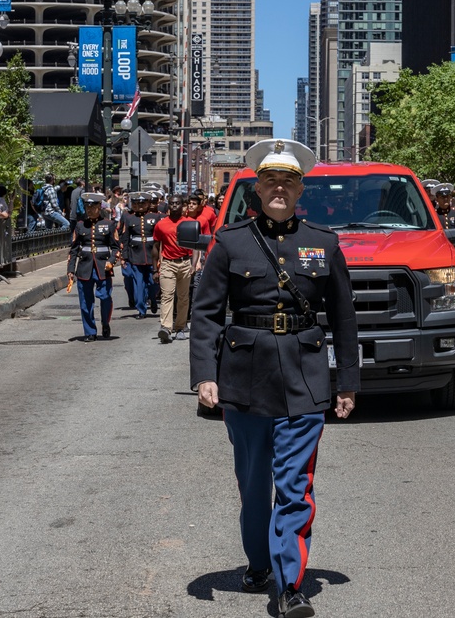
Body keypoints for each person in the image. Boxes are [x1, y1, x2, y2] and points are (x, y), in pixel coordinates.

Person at [190, 138, 359, 618]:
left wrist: (346, 382)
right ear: (257, 188)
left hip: (304, 377)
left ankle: (290, 585)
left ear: (300, 188)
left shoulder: (323, 242)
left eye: (288, 181)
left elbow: (344, 318)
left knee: (294, 485)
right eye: (270, 180)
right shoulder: (231, 241)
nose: (279, 188)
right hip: (243, 376)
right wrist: (205, 374)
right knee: (252, 481)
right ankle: (259, 560)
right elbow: (204, 315)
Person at [68, 193, 119, 341]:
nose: (89, 210)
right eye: (87, 207)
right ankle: (90, 332)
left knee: (105, 297)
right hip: (84, 268)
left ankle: (105, 321)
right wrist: (71, 270)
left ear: (99, 207)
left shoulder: (108, 225)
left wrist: (111, 261)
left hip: (103, 268)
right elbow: (73, 249)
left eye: (93, 207)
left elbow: (116, 248)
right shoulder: (80, 225)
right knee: (85, 302)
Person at [151, 194, 192, 343]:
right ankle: (166, 328)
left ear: (182, 206)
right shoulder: (161, 225)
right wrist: (155, 269)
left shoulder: (189, 223)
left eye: (177, 204)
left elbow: (195, 246)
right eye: (172, 203)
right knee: (167, 296)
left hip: (185, 263)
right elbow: (155, 247)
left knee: (183, 297)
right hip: (168, 263)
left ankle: (180, 327)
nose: (174, 206)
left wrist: (195, 264)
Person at [119, 191, 158, 319]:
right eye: (136, 203)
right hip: (135, 255)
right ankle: (141, 309)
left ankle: (153, 298)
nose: (139, 206)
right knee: (138, 284)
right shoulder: (130, 218)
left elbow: (159, 239)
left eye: (142, 203)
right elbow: (125, 239)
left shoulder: (154, 217)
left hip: (151, 254)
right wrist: (124, 257)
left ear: (147, 204)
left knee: (153, 283)